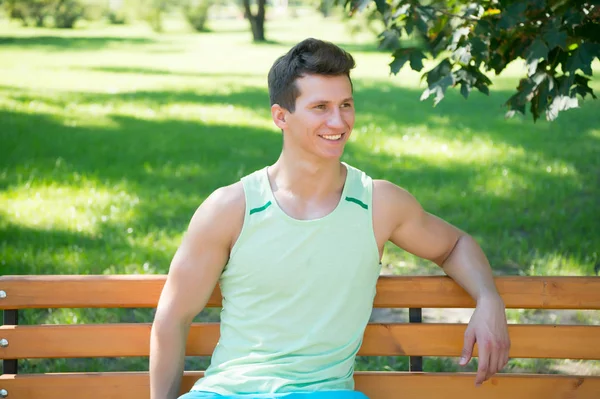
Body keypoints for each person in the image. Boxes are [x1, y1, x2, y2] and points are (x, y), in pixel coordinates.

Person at [149, 38, 511, 399]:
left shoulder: (378, 204)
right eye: (320, 107)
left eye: (346, 105)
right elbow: (172, 318)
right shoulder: (231, 208)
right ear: (281, 116)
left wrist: (488, 298)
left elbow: (454, 245)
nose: (338, 121)